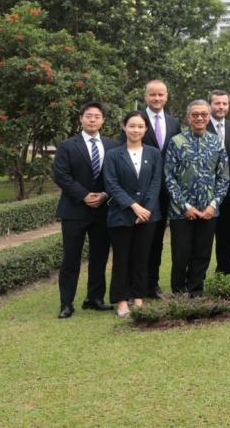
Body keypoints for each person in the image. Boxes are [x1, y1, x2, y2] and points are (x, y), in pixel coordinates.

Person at [52, 102, 119, 318]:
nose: (92, 120)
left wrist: (105, 195)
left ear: (103, 120)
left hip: (102, 210)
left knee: (99, 257)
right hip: (74, 210)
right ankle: (66, 303)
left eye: (97, 116)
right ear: (81, 118)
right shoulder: (68, 146)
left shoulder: (112, 146)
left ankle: (95, 298)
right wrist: (83, 195)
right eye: (88, 116)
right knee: (71, 259)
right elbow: (61, 175)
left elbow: (117, 176)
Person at [164, 100, 229, 297]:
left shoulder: (216, 142)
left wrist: (213, 204)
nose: (199, 118)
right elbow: (169, 177)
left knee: (202, 253)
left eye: (203, 114)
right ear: (188, 117)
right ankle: (178, 291)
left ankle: (196, 291)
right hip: (181, 211)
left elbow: (224, 177)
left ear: (209, 117)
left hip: (209, 210)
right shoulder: (176, 142)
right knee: (181, 254)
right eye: (195, 115)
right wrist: (184, 206)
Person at [102, 111, 162, 317]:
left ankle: (138, 297)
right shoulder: (113, 155)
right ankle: (121, 300)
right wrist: (134, 207)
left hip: (148, 216)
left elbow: (156, 184)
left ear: (146, 129)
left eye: (140, 126)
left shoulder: (154, 153)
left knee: (141, 257)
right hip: (121, 215)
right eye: (132, 126)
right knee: (121, 259)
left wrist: (146, 209)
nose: (136, 130)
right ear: (124, 127)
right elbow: (111, 184)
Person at [142, 79, 181, 298]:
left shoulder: (174, 122)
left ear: (166, 97)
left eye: (160, 95)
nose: (157, 98)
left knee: (157, 240)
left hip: (166, 192)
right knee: (139, 240)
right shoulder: (136, 120)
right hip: (142, 191)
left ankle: (152, 284)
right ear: (146, 97)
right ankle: (134, 286)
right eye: (152, 95)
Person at [209, 90, 230, 275]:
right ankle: (195, 279)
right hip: (206, 192)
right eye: (217, 103)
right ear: (210, 105)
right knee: (204, 238)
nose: (221, 107)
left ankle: (224, 273)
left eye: (224, 104)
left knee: (227, 236)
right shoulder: (200, 125)